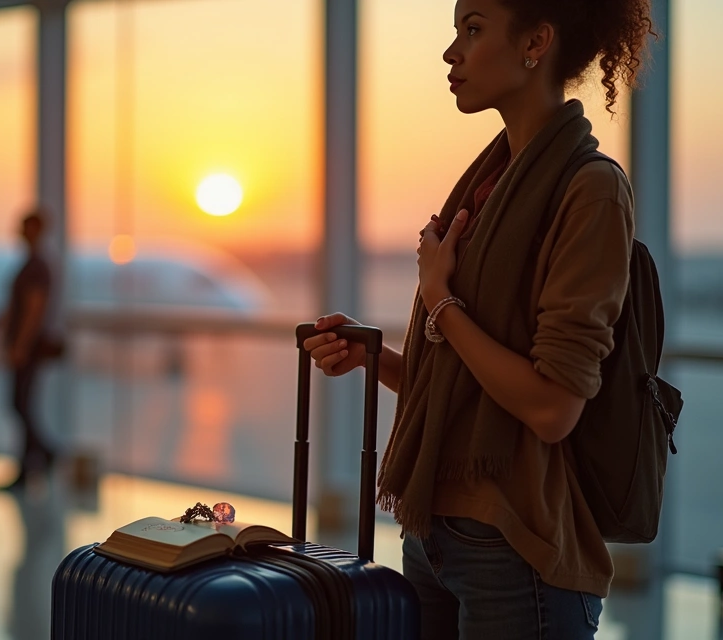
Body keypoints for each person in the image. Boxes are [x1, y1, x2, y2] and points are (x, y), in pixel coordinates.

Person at [302, 0, 652, 637]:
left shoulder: (590, 189)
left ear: (535, 42)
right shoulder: (489, 189)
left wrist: (440, 300)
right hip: (435, 535)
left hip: (518, 552)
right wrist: (373, 357)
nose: (451, 51)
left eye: (473, 29)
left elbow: (552, 407)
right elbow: (469, 391)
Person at [0, 207, 60, 491]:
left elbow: (34, 310)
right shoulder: (33, 264)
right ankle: (39, 458)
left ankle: (40, 458)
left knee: (20, 403)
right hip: (27, 347)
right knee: (21, 404)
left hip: (28, 348)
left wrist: (20, 345)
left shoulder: (36, 266)